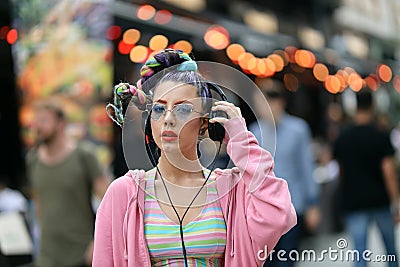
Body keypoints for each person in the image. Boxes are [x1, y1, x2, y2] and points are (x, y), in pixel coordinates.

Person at [93, 48, 297, 266]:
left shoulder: (231, 190)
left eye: (183, 110)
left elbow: (279, 214)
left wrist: (241, 141)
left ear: (204, 123)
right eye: (159, 109)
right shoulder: (123, 194)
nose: (168, 119)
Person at [26, 97, 110, 267]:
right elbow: (39, 203)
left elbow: (110, 202)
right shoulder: (33, 159)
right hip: (46, 257)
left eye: (43, 121)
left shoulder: (83, 156)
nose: (37, 127)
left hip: (80, 254)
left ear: (61, 123)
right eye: (36, 121)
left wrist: (98, 243)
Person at [249, 78, 320, 267]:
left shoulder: (298, 129)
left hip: (292, 207)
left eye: (266, 102)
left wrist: (312, 203)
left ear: (280, 102)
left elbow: (306, 166)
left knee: (286, 261)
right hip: (263, 211)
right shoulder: (254, 131)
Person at [333, 90, 399, 267]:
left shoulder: (343, 138)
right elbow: (389, 173)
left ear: (355, 106)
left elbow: (340, 173)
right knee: (390, 251)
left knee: (360, 253)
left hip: (354, 202)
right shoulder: (381, 135)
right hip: (380, 200)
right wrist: (396, 202)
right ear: (373, 106)